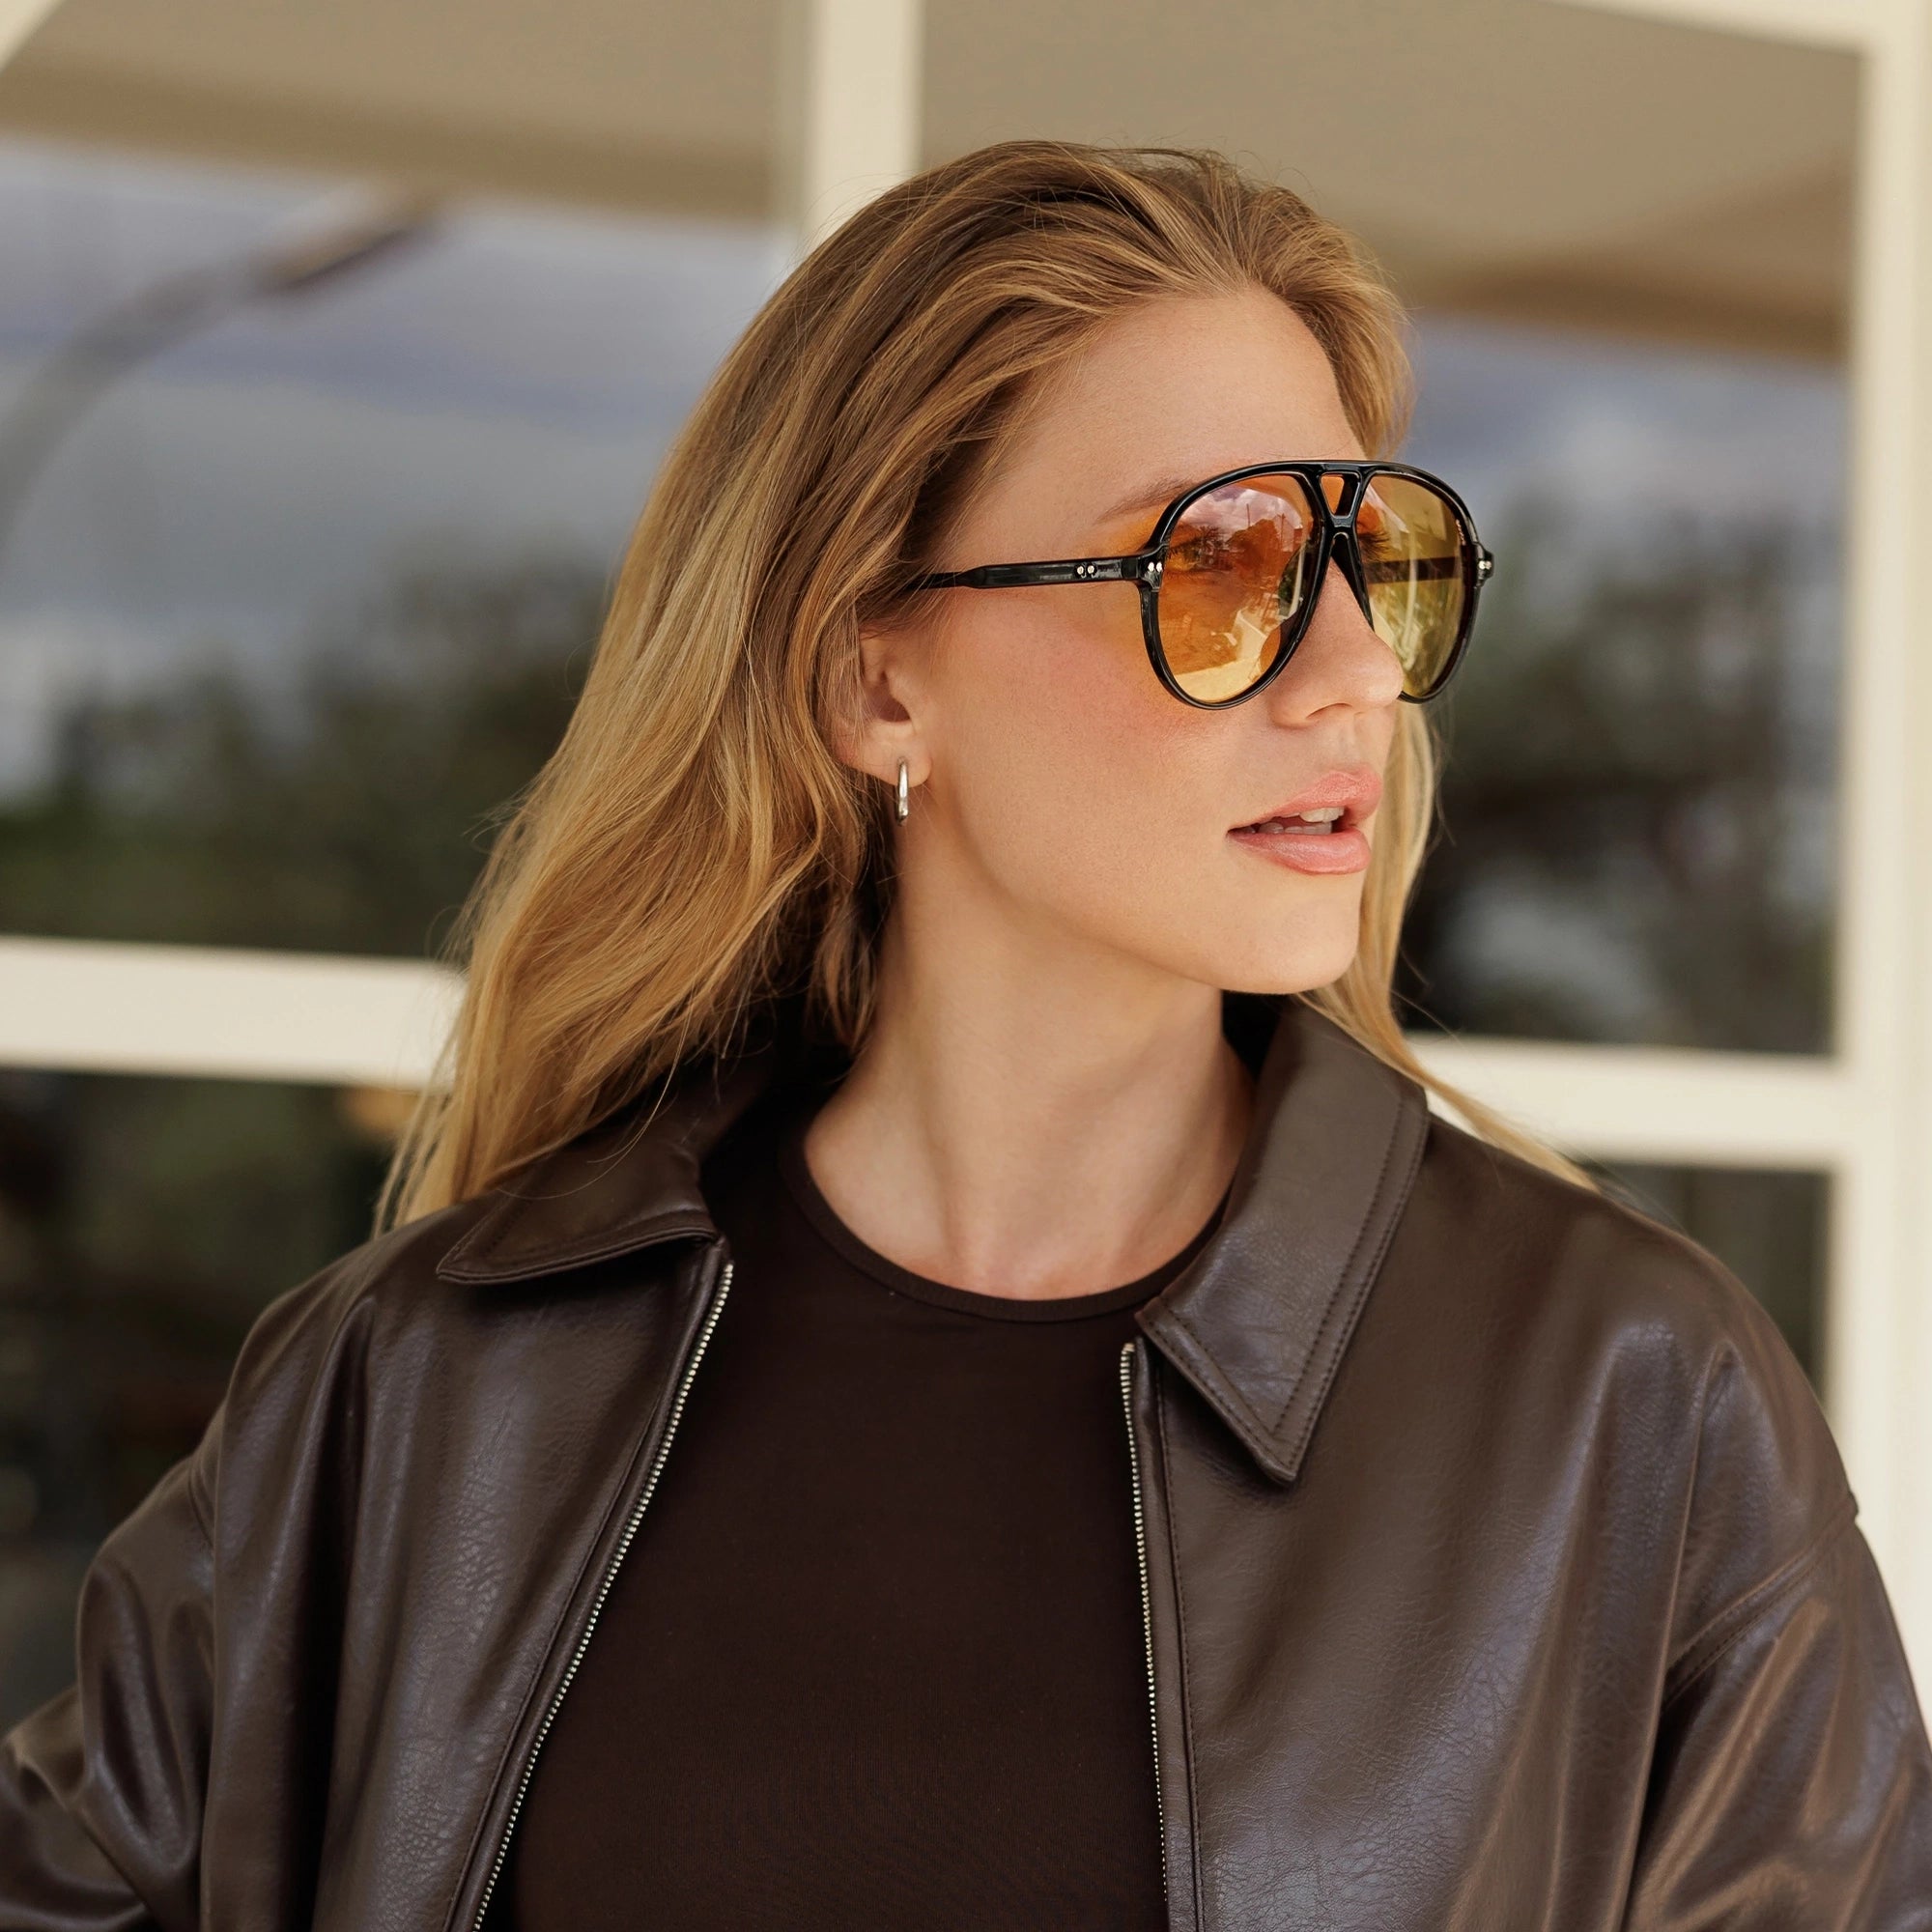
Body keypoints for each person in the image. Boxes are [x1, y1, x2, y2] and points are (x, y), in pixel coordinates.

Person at [2, 139, 1928, 1931]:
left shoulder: (1629, 1404)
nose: (1354, 675)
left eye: (1374, 561)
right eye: (1223, 567)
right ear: (874, 681)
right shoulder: (418, 1389)